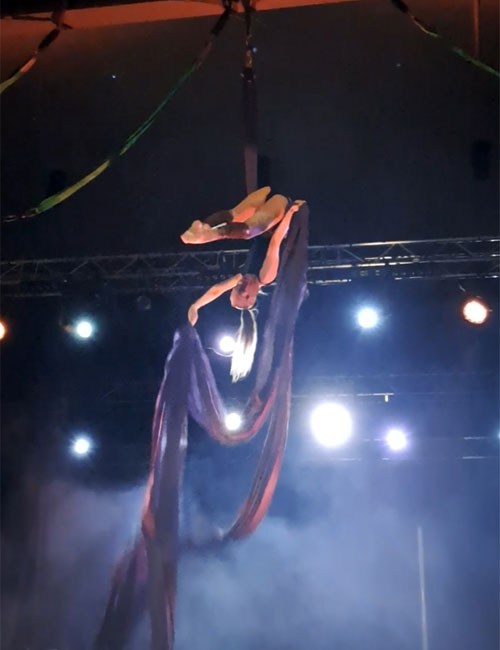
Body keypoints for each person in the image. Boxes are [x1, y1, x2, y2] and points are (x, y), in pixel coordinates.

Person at [181, 188, 305, 381]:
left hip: (261, 220)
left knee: (234, 215)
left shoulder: (242, 276)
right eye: (245, 293)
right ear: (253, 299)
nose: (244, 285)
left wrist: (195, 306)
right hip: (278, 217)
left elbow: (216, 290)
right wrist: (290, 213)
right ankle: (210, 234)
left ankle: (205, 228)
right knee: (248, 231)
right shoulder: (266, 277)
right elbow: (275, 242)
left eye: (238, 288)